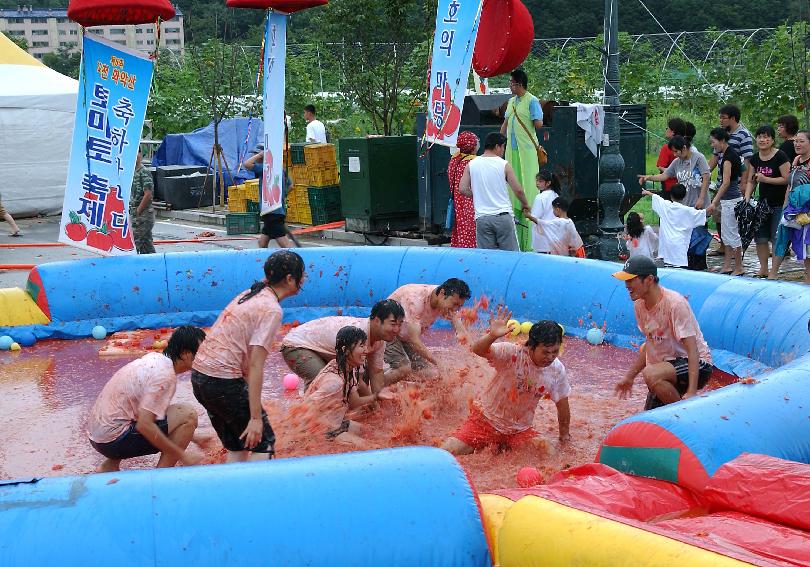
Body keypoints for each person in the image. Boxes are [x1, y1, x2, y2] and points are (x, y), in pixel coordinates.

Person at [191, 250, 305, 462]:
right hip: (221, 381)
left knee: (239, 444)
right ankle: (257, 494)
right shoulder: (271, 309)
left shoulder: (249, 294)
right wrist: (255, 418)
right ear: (290, 279)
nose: (304, 279)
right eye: (303, 274)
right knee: (263, 443)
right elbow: (255, 365)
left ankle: (234, 492)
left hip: (200, 378)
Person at [441, 311, 571, 455]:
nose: (551, 357)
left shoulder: (556, 370)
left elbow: (562, 403)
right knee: (446, 452)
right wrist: (492, 336)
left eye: (555, 351)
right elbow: (477, 350)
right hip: (485, 422)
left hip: (519, 431)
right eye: (546, 352)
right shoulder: (512, 353)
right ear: (532, 346)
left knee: (550, 454)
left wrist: (564, 438)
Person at [87, 326, 206, 472]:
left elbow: (148, 413)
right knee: (188, 415)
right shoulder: (164, 377)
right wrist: (183, 455)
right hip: (112, 441)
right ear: (186, 354)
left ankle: (109, 465)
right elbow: (144, 425)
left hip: (98, 435)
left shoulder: (155, 359)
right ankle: (160, 478)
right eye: (203, 353)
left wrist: (195, 437)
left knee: (149, 409)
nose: (206, 358)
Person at [613, 256, 713, 410]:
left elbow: (692, 349)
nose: (626, 285)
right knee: (649, 420)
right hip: (663, 372)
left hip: (698, 364)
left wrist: (692, 392)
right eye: (625, 280)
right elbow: (650, 343)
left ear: (649, 280)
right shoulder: (639, 305)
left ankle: (688, 411)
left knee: (651, 373)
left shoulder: (675, 304)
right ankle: (681, 411)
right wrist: (629, 377)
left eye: (631, 280)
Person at [281, 298, 405, 392]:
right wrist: (371, 402)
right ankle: (307, 420)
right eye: (393, 324)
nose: (397, 330)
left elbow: (376, 373)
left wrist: (378, 403)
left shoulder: (379, 340)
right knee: (327, 384)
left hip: (322, 348)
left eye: (400, 325)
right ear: (377, 320)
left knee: (353, 385)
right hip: (297, 345)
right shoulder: (359, 335)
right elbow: (356, 381)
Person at [639, 135, 711, 269]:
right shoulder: (677, 162)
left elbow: (706, 177)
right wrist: (649, 177)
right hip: (684, 204)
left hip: (697, 203)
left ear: (684, 148)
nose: (675, 154)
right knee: (686, 236)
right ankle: (685, 262)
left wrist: (701, 198)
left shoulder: (698, 158)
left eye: (676, 151)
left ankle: (699, 265)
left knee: (698, 235)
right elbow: (665, 175)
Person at [458, 132, 537, 251]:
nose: (503, 150)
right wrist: (525, 204)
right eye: (503, 146)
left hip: (482, 218)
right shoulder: (504, 164)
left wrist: (480, 194)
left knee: (486, 259)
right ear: (497, 146)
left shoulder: (471, 164)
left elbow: (462, 189)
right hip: (503, 217)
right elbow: (518, 190)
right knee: (511, 258)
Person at [303, 326, 380, 447]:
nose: (366, 350)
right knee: (368, 446)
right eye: (361, 346)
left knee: (371, 432)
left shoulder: (348, 369)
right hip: (322, 430)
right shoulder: (334, 382)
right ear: (346, 350)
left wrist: (376, 396)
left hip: (335, 423)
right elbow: (305, 408)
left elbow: (354, 402)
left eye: (365, 345)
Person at [385, 278, 471, 377]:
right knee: (404, 369)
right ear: (442, 293)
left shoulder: (443, 298)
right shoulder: (415, 300)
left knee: (429, 374)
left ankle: (393, 373)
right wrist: (439, 363)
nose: (455, 309)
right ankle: (375, 376)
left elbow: (461, 332)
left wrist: (476, 357)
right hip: (387, 334)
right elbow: (414, 341)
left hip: (406, 336)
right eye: (455, 304)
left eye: (459, 306)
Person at [500, 68, 544, 251]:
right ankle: (518, 238)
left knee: (528, 185)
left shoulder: (532, 101)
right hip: (512, 150)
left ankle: (531, 240)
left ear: (519, 84)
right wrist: (500, 137)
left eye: (511, 83)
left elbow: (538, 124)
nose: (509, 86)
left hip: (527, 151)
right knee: (513, 185)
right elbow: (505, 123)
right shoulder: (511, 102)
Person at [743, 125, 790, 278]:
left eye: (766, 137)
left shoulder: (780, 156)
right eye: (760, 137)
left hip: (780, 204)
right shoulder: (755, 158)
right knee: (760, 237)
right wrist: (747, 198)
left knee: (777, 238)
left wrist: (766, 179)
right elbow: (751, 181)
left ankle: (774, 271)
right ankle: (763, 268)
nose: (763, 140)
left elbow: (787, 180)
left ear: (772, 140)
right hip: (763, 204)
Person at [708, 105, 754, 258]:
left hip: (735, 181)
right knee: (720, 216)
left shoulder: (743, 135)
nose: (721, 120)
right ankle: (723, 245)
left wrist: (744, 182)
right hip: (721, 181)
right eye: (720, 117)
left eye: (724, 117)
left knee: (733, 219)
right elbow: (715, 157)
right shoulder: (721, 135)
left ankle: (734, 250)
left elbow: (747, 160)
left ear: (733, 118)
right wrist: (705, 172)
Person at [771, 130, 810, 283]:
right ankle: (772, 274)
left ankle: (808, 280)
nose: (797, 144)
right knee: (781, 237)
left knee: (806, 244)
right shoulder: (796, 160)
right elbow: (790, 185)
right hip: (791, 208)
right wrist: (785, 205)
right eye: (795, 141)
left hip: (806, 210)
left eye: (801, 141)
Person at [635, 184, 706, 268]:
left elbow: (656, 197)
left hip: (666, 249)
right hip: (680, 249)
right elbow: (706, 213)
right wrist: (715, 202)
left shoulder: (665, 205)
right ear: (684, 196)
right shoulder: (688, 211)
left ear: (670, 195)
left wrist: (647, 192)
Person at [707, 127, 745, 276]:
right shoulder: (730, 154)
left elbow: (726, 182)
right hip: (729, 199)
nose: (712, 145)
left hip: (732, 200)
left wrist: (714, 202)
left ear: (722, 140)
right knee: (727, 234)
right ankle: (727, 265)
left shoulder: (729, 157)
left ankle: (739, 267)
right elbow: (743, 168)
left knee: (733, 234)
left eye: (713, 142)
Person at [244, 145, 293, 248]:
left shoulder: (265, 168)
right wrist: (280, 195)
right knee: (262, 242)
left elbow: (247, 164)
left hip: (272, 211)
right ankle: (262, 259)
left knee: (284, 242)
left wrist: (260, 155)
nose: (255, 156)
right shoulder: (280, 169)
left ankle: (293, 259)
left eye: (256, 154)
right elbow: (291, 186)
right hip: (274, 209)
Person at [448, 131, 480, 248]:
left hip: (458, 203)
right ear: (472, 146)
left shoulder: (453, 160)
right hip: (472, 202)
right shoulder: (474, 162)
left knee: (461, 230)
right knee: (472, 232)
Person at [131, 148, 155, 254]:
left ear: (140, 155)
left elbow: (148, 194)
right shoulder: (131, 172)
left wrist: (138, 211)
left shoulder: (144, 172)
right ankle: (152, 266)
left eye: (137, 153)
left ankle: (151, 266)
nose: (135, 156)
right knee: (145, 244)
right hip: (135, 214)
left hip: (144, 215)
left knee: (139, 242)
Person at [530, 170, 561, 252]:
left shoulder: (540, 197)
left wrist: (527, 214)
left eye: (540, 181)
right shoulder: (556, 195)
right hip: (554, 239)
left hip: (542, 241)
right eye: (536, 180)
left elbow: (534, 217)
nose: (537, 183)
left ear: (548, 183)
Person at [656, 117, 687, 199]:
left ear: (673, 132)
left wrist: (674, 174)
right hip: (685, 186)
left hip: (670, 188)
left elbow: (661, 166)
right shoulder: (686, 146)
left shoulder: (666, 148)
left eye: (667, 128)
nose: (666, 130)